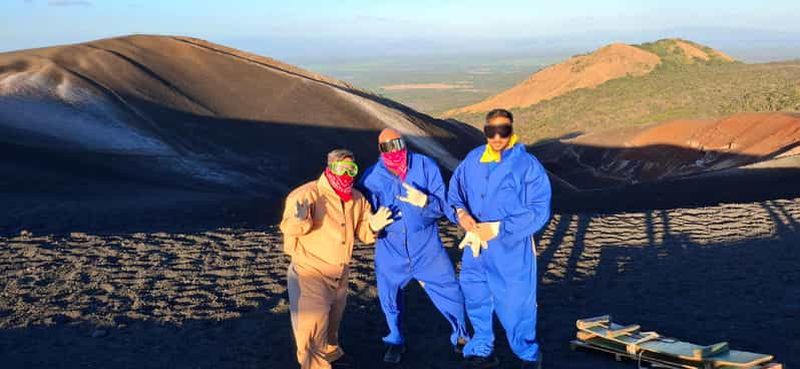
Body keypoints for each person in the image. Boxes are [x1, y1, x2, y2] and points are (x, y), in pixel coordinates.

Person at [447, 109, 552, 369]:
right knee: (475, 295)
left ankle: (527, 354)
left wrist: (499, 228)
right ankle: (482, 348)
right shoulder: (472, 160)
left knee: (516, 302)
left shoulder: (527, 165)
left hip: (511, 249)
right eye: (490, 131)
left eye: (502, 130)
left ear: (511, 129)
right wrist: (461, 214)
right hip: (476, 247)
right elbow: (455, 193)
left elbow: (540, 209)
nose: (496, 137)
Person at [359, 129, 469, 364]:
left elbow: (445, 206)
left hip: (426, 244)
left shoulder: (425, 166)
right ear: (380, 150)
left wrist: (426, 202)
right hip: (390, 246)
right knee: (389, 297)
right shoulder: (371, 178)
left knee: (450, 289)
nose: (394, 151)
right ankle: (395, 340)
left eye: (397, 144)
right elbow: (359, 214)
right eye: (387, 146)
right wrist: (371, 223)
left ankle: (461, 335)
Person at [280, 149, 394, 369]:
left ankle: (332, 354)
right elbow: (290, 229)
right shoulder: (307, 195)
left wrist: (373, 225)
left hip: (340, 272)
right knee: (311, 331)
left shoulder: (357, 198)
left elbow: (363, 232)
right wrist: (301, 219)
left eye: (352, 169)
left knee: (332, 321)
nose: (347, 175)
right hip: (310, 272)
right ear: (329, 168)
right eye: (341, 169)